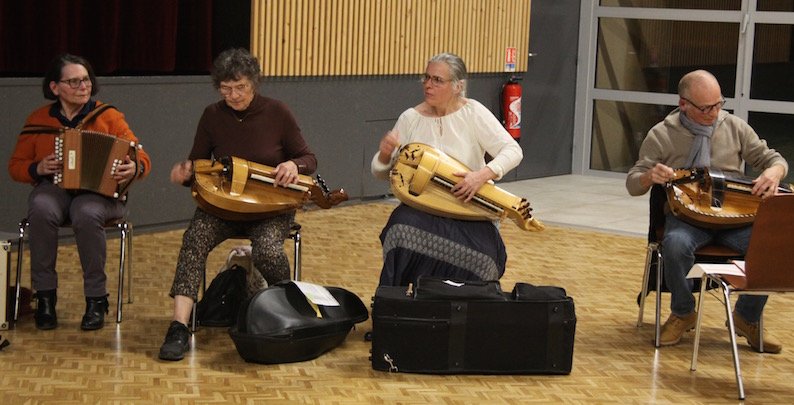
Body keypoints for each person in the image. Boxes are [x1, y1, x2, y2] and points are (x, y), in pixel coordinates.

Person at [158, 48, 317, 361]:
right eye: (225, 89)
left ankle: (287, 309)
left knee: (268, 250)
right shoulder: (212, 115)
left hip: (270, 208)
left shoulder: (278, 112)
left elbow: (308, 158)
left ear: (254, 83)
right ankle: (179, 327)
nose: (233, 95)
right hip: (224, 207)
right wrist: (186, 173)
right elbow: (199, 165)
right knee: (194, 239)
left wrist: (293, 165)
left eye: (240, 87)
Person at [626, 69, 788, 353]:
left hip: (733, 217)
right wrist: (650, 176)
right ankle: (683, 312)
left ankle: (746, 317)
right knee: (675, 245)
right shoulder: (662, 134)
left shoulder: (734, 127)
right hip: (687, 218)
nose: (713, 113)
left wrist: (774, 172)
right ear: (683, 104)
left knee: (772, 247)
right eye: (705, 108)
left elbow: (773, 159)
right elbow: (632, 183)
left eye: (718, 104)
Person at [8, 53, 151, 331]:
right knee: (41, 207)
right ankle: (45, 296)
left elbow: (141, 156)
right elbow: (16, 166)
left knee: (85, 211)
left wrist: (134, 168)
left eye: (86, 80)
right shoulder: (39, 120)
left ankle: (96, 299)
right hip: (56, 189)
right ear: (54, 87)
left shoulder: (108, 116)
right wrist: (38, 168)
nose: (83, 86)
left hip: (102, 195)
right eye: (74, 82)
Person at [371, 52, 523, 287]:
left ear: (458, 86)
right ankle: (396, 301)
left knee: (486, 259)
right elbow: (382, 173)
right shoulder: (411, 118)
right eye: (426, 77)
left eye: (437, 80)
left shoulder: (473, 112)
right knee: (398, 230)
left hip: (469, 210)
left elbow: (513, 150)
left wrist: (481, 176)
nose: (428, 85)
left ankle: (465, 303)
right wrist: (384, 154)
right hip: (422, 211)